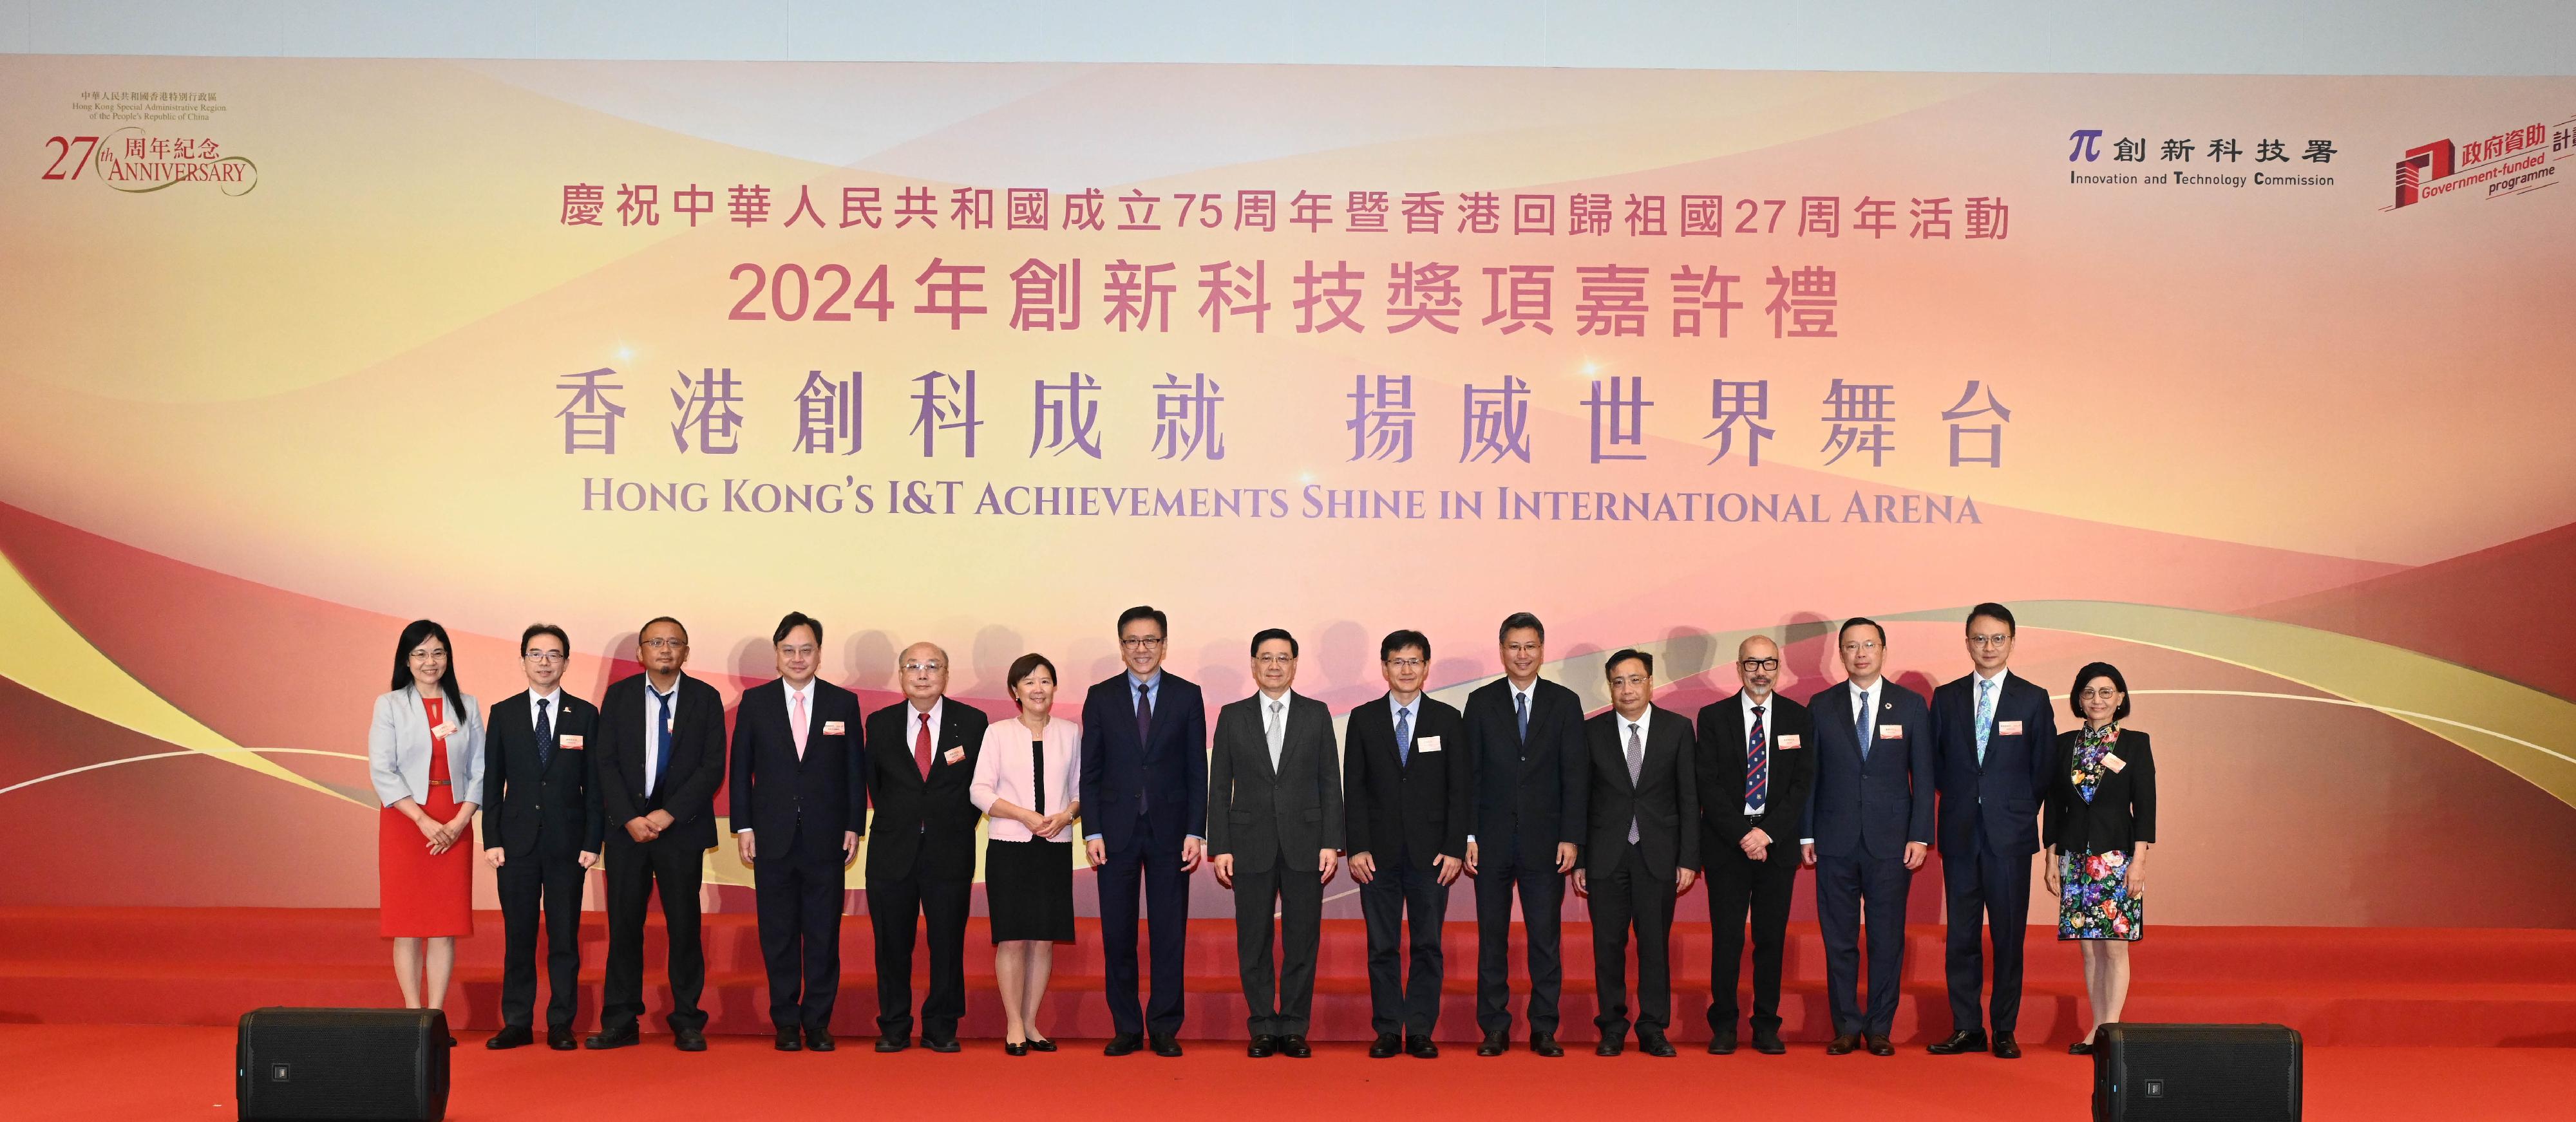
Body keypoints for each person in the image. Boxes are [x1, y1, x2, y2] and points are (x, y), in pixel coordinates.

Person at [587, 616, 725, 1052]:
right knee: (625, 925)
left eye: (674, 643)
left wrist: (668, 814)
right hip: (628, 830)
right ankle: (621, 1019)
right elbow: (604, 761)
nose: (665, 649)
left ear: (686, 651)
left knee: (684, 926)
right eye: (656, 642)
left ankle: (687, 1019)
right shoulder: (620, 695)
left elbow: (711, 766)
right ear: (640, 652)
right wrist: (629, 816)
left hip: (679, 829)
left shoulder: (705, 698)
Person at [728, 612, 866, 1052]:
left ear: (819, 654)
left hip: (827, 838)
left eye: (806, 649)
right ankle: (786, 1021)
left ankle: (818, 1021)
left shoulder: (842, 704)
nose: (798, 657)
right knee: (779, 933)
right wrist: (744, 826)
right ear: (777, 655)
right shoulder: (756, 702)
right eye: (788, 650)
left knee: (824, 933)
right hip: (772, 837)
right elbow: (740, 771)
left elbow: (853, 771)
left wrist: (853, 825)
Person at [1927, 603, 2058, 1060]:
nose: (1988, 647)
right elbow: (1936, 767)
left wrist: (2014, 809)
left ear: (2012, 642)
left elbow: (2044, 769)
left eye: (1997, 638)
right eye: (1979, 638)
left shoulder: (2032, 698)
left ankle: (2004, 1028)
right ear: (1967, 643)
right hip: (1961, 832)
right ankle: (1967, 1026)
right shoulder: (1945, 697)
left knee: (2008, 936)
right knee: (1961, 937)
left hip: (2009, 836)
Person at [1207, 629, 1343, 1059]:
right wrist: (1220, 844)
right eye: (1266, 657)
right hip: (1248, 843)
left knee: (1303, 939)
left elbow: (1329, 781)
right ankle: (1264, 1025)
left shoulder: (1317, 713)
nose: (1274, 665)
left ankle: (1295, 1027)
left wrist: (1331, 842)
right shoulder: (1232, 715)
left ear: (1295, 664)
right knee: (1254, 939)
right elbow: (1218, 784)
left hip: (1306, 843)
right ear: (1253, 664)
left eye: (1283, 657)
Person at [1801, 617, 1933, 1057]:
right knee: (1838, 938)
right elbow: (1810, 777)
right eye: (1852, 646)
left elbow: (1924, 774)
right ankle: (1845, 1025)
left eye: (1869, 645)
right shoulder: (1821, 705)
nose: (1861, 653)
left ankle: (1879, 1026)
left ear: (1883, 650)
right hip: (1834, 839)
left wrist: (1920, 834)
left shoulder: (1911, 705)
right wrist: (1806, 833)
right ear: (1840, 653)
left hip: (1892, 843)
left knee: (1886, 938)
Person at [1080, 606, 1208, 1058]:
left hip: (1172, 832)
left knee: (1169, 932)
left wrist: (1197, 830)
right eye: (1133, 641)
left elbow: (1198, 769)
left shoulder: (1187, 695)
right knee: (1118, 933)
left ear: (1164, 644)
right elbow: (1090, 771)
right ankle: (1127, 1026)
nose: (1142, 649)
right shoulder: (1100, 696)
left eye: (1150, 640)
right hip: (1113, 834)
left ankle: (1165, 1025)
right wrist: (1091, 831)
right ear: (1121, 646)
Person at [1461, 612, 1584, 1058]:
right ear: (1502, 650)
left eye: (1530, 646)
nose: (1523, 655)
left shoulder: (1565, 702)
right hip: (1490, 840)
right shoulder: (1480, 701)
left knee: (1545, 938)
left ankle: (1544, 1027)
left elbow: (1575, 775)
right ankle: (1494, 1026)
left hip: (1546, 842)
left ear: (1542, 650)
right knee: (1492, 936)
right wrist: (1469, 834)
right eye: (1514, 646)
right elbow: (1469, 774)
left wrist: (1572, 836)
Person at [1344, 629, 1470, 1060]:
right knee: (1381, 946)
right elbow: (1354, 788)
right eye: (1397, 661)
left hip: (1432, 854)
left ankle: (1418, 1028)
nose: (1406, 669)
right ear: (1384, 668)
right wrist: (1356, 845)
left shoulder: (1448, 719)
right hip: (1375, 856)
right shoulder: (1363, 718)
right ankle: (1386, 1028)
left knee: (1427, 945)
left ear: (1426, 666)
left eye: (1414, 661)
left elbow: (1460, 790)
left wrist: (1455, 847)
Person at [862, 642, 990, 1053]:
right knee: (891, 943)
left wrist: (946, 826)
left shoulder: (972, 722)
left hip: (949, 849)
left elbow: (976, 787)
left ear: (945, 675)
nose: (922, 674)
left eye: (932, 666)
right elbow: (876, 787)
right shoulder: (879, 724)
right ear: (901, 675)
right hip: (891, 850)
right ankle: (894, 1025)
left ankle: (941, 1025)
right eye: (913, 666)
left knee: (947, 942)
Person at [478, 623, 601, 1052]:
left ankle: (561, 1022)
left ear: (566, 661)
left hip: (569, 847)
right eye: (536, 654)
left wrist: (592, 841)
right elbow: (492, 783)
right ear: (523, 660)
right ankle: (517, 1021)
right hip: (516, 846)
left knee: (565, 937)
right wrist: (491, 838)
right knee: (519, 937)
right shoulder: (504, 712)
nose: (544, 662)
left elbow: (595, 787)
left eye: (553, 654)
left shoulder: (585, 714)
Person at [1692, 634, 1813, 1056]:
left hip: (1776, 847)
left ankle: (1766, 1023)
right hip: (1727, 846)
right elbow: (1706, 783)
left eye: (1768, 663)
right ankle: (1724, 1023)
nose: (1760, 672)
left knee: (1770, 939)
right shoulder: (1712, 717)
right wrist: (1744, 834)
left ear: (1778, 667)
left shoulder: (1799, 717)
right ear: (1739, 667)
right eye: (1751, 664)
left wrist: (1767, 832)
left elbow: (1801, 785)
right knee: (1727, 938)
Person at [1577, 648, 1698, 1058]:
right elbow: (1580, 800)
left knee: (1654, 945)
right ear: (1609, 686)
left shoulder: (1678, 729)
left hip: (1658, 854)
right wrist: (1579, 858)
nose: (1627, 689)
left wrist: (1688, 858)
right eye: (1618, 681)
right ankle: (1612, 1026)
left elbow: (1688, 798)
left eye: (1635, 679)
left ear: (1650, 682)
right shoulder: (1590, 733)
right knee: (1607, 945)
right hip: (1606, 856)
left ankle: (1652, 1027)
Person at [368, 619, 483, 1042]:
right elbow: (382, 768)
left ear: (448, 657)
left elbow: (480, 768)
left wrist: (457, 821)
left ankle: (434, 1018)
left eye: (437, 652)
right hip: (406, 821)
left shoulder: (466, 704)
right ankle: (411, 1017)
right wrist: (423, 820)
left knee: (443, 923)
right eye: (420, 653)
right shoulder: (391, 704)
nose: (429, 661)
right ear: (406, 659)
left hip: (455, 820)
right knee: (408, 922)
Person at [969, 653, 1083, 1056]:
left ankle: (1032, 1022)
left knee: (1044, 940)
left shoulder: (1071, 732)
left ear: (1054, 688)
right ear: (1015, 691)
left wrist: (1067, 816)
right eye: (1029, 682)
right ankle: (1013, 1024)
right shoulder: (998, 733)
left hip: (1055, 846)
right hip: (1009, 846)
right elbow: (979, 790)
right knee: (1013, 939)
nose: (1038, 688)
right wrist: (1024, 815)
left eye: (1046, 681)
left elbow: (1080, 789)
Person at [2048, 662, 2156, 1056]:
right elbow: (2054, 805)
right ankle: (2097, 1027)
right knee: (2089, 948)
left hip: (2117, 858)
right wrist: (2050, 859)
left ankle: (2111, 1029)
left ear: (2121, 698)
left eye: (2106, 692)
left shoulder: (2135, 743)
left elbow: (2146, 807)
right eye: (2089, 692)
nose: (2098, 700)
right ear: (2079, 699)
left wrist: (2139, 861)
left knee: (2114, 947)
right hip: (2075, 857)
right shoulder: (2063, 744)